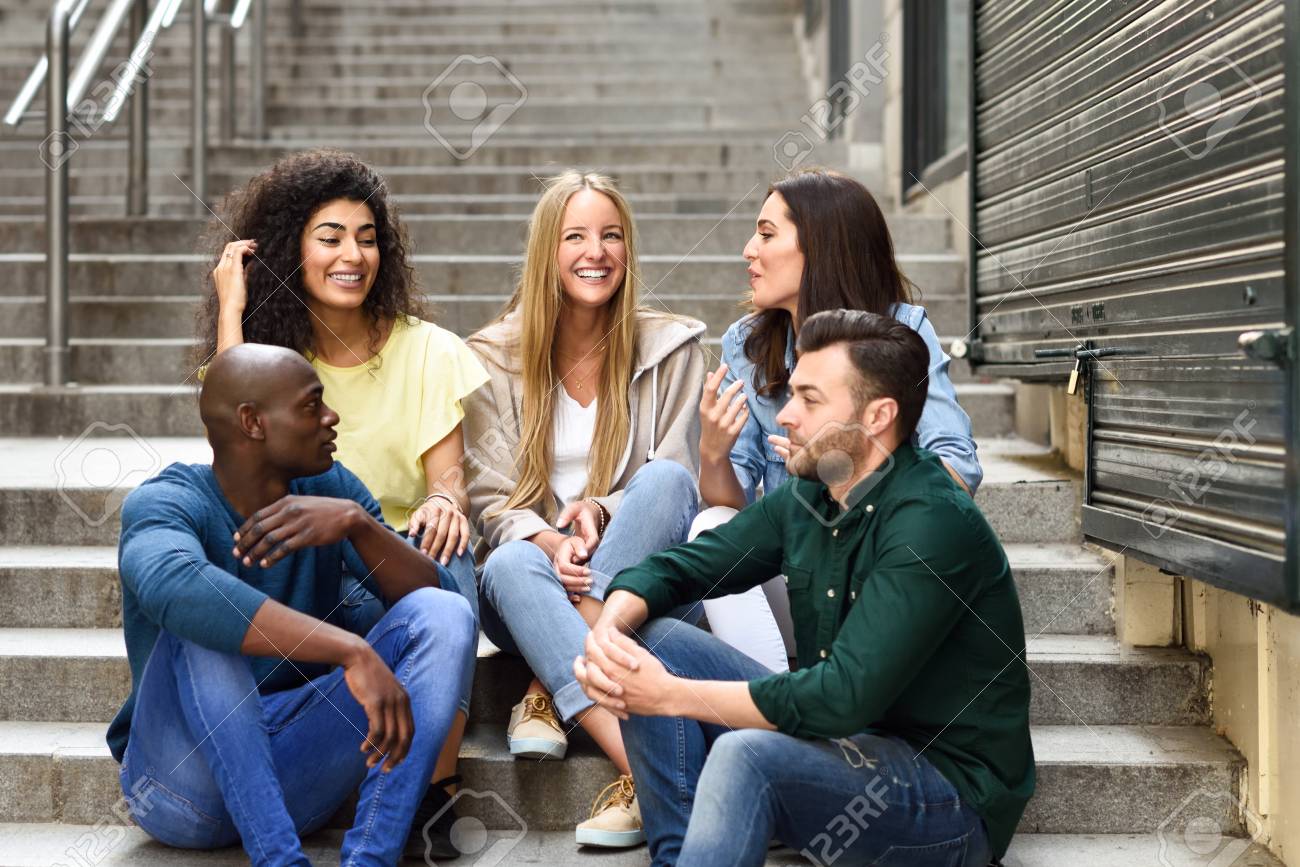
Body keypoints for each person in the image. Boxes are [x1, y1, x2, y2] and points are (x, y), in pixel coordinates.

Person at [575, 310, 1034, 867]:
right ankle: (679, 856)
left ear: (878, 416)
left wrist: (671, 695)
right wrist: (609, 624)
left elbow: (840, 698)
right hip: (843, 751)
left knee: (747, 755)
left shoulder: (930, 524)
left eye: (810, 400)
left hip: (945, 799)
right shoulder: (815, 495)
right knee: (645, 636)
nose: (786, 416)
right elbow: (687, 567)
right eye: (791, 394)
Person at [195, 148, 489, 858]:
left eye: (365, 237)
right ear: (294, 248)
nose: (351, 254)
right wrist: (233, 310)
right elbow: (240, 458)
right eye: (329, 236)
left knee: (449, 563)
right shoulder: (267, 363)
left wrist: (448, 502)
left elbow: (447, 476)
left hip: (389, 556)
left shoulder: (431, 352)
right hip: (302, 569)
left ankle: (434, 787)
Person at [109, 344, 476, 866]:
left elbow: (438, 601)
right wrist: (351, 650)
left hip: (294, 775)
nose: (332, 417)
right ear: (252, 422)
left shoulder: (327, 488)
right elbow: (175, 585)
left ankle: (371, 857)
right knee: (200, 626)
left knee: (446, 614)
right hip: (179, 789)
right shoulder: (167, 501)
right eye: (312, 406)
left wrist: (357, 523)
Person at [464, 170, 706, 848]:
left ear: (629, 250)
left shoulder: (673, 348)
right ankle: (651, 772)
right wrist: (547, 539)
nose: (595, 251)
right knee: (510, 562)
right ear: (548, 250)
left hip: (639, 584)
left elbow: (680, 479)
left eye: (611, 235)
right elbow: (487, 496)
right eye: (576, 236)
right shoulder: (492, 358)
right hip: (529, 585)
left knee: (661, 483)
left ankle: (546, 684)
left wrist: (599, 512)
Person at [696, 168, 982, 673]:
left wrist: (843, 472)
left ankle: (791, 714)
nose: (748, 250)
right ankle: (778, 705)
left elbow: (957, 470)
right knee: (708, 527)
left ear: (821, 248)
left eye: (766, 235)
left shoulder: (903, 332)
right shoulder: (747, 342)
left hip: (882, 576)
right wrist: (714, 454)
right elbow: (735, 507)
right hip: (802, 574)